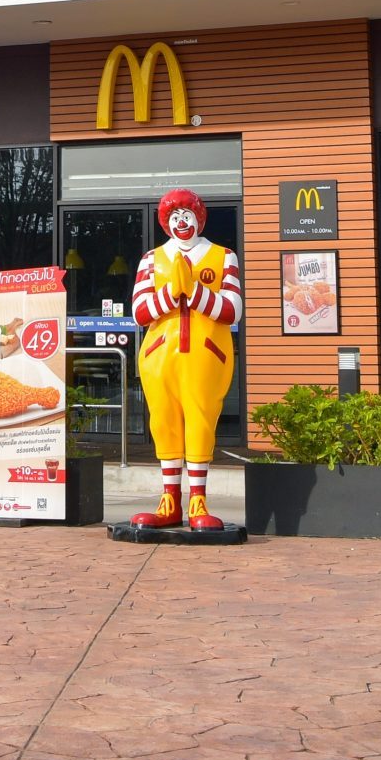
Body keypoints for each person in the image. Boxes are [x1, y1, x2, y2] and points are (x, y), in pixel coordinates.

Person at [130, 188, 240, 531]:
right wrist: (171, 292)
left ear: (199, 218)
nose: (181, 221)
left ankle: (198, 500)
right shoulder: (151, 259)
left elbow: (233, 310)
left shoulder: (224, 257)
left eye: (187, 214)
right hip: (159, 355)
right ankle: (169, 500)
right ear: (166, 223)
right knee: (163, 422)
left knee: (200, 422)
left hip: (206, 356)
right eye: (174, 216)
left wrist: (194, 292)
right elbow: (140, 312)